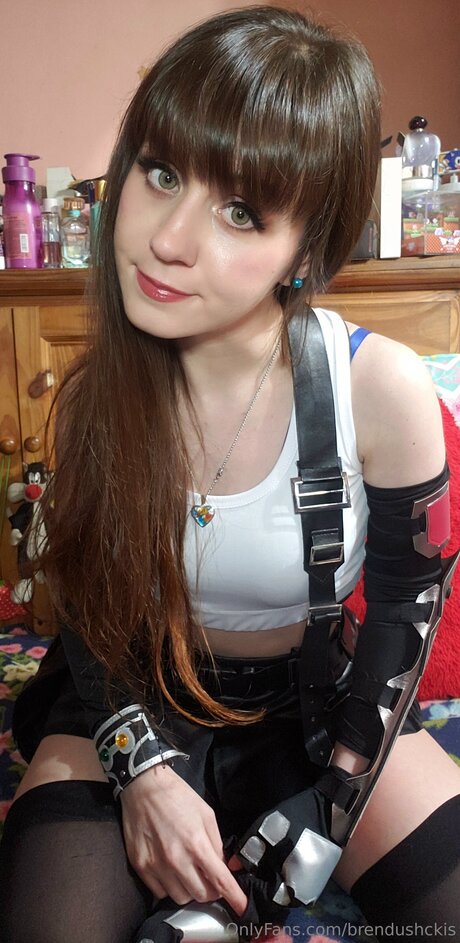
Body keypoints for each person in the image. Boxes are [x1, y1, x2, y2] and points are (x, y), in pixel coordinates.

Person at [1, 6, 459, 943]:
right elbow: (89, 613)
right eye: (161, 171)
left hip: (315, 707)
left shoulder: (379, 391)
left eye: (242, 211)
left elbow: (403, 625)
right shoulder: (93, 399)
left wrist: (332, 806)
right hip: (129, 697)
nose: (168, 238)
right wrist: (142, 771)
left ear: (308, 249)